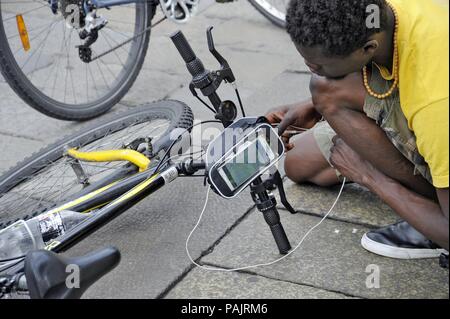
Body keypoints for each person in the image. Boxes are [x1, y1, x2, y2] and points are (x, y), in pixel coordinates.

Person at [266, 0, 449, 266]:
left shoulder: (435, 105)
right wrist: (315, 105)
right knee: (298, 163)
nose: (310, 67)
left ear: (367, 49)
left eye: (319, 64)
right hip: (416, 85)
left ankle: (428, 212)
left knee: (324, 89)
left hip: (436, 116)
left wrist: (370, 176)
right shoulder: (376, 15)